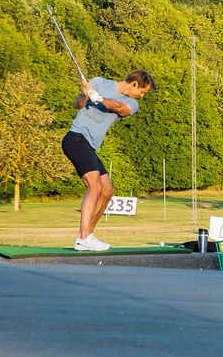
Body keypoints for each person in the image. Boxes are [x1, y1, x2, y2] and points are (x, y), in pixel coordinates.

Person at [61, 68, 154, 251]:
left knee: (107, 190)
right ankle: (83, 238)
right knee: (95, 186)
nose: (142, 96)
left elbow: (119, 108)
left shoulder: (132, 104)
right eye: (142, 92)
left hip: (89, 145)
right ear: (134, 84)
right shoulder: (99, 82)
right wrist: (86, 95)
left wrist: (100, 99)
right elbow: (78, 104)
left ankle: (88, 235)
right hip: (76, 138)